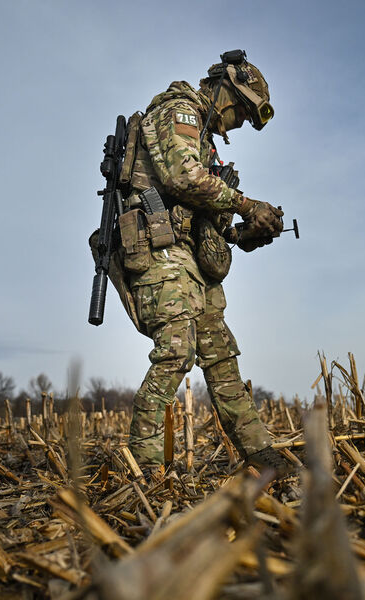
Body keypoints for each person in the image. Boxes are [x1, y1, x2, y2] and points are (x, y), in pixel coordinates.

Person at [111, 50, 290, 475]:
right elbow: (183, 178)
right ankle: (145, 466)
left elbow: (206, 214)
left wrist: (242, 235)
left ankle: (259, 452)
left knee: (220, 353)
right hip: (159, 248)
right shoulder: (179, 112)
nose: (241, 122)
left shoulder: (206, 142)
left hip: (187, 253)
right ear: (226, 90)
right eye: (242, 112)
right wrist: (247, 204)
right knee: (177, 348)